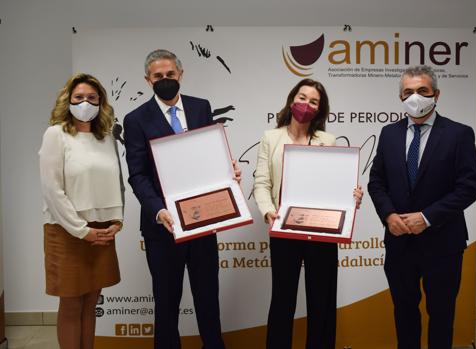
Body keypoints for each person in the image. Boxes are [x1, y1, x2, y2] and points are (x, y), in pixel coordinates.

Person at [123, 49, 240, 349]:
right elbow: (137, 175)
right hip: (163, 227)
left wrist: (229, 172)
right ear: (148, 80)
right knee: (166, 303)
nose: (165, 80)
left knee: (207, 300)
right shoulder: (136, 119)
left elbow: (209, 157)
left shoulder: (201, 108)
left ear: (180, 75)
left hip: (202, 223)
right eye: (158, 76)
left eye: (170, 75)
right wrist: (159, 210)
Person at [368, 65, 476, 349]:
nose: (415, 97)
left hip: (443, 242)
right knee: (404, 312)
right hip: (399, 241)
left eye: (422, 91)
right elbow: (376, 182)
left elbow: (469, 187)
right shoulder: (389, 134)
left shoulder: (459, 134)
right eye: (408, 92)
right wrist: (389, 215)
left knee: (441, 315)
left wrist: (427, 218)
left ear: (436, 94)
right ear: (400, 96)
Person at [253, 78, 363, 349]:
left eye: (313, 101)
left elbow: (335, 185)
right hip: (284, 228)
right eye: (302, 98)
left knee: (322, 299)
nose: (306, 104)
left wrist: (352, 198)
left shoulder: (328, 140)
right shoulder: (271, 137)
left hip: (322, 230)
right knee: (282, 299)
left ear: (319, 109)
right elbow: (261, 182)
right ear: (292, 101)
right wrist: (269, 213)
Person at [39, 73, 124, 349]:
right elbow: (52, 191)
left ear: (100, 102)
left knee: (91, 302)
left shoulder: (105, 137)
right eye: (79, 97)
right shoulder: (56, 135)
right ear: (68, 100)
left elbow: (117, 183)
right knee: (72, 304)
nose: (85, 102)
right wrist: (81, 230)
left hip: (101, 230)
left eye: (91, 98)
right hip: (67, 231)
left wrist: (117, 221)